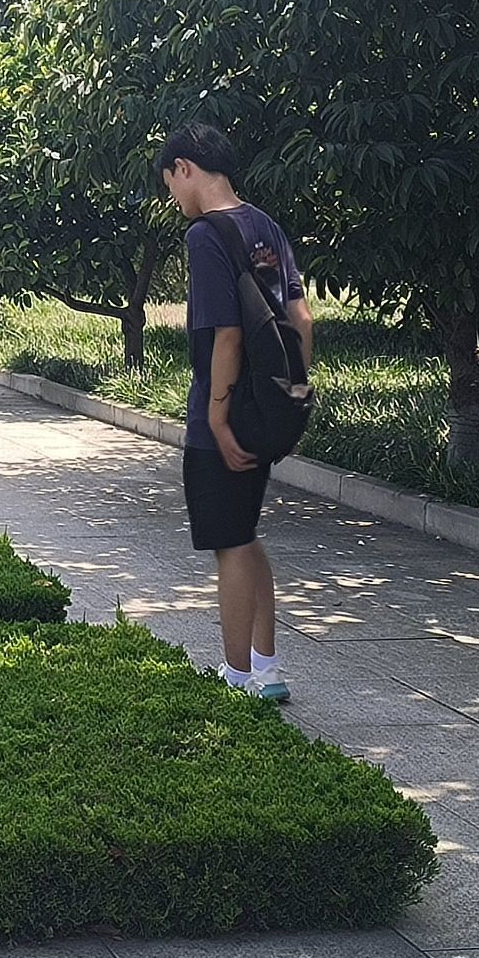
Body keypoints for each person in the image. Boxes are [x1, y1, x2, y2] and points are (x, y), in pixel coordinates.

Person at [160, 120, 314, 702]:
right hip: (267, 403)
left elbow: (225, 335)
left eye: (170, 184)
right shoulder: (264, 225)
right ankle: (266, 669)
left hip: (222, 411)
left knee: (229, 542)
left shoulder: (205, 235)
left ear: (184, 168)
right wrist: (285, 396)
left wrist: (218, 417)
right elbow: (301, 319)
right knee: (244, 534)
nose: (174, 198)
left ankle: (238, 676)